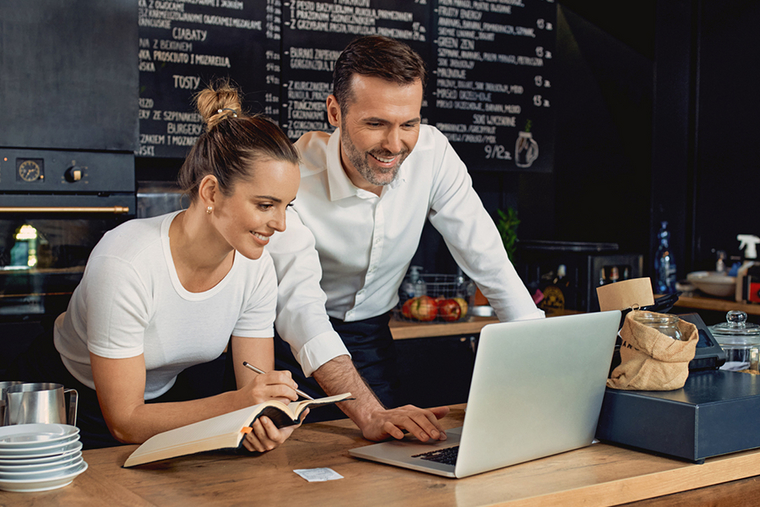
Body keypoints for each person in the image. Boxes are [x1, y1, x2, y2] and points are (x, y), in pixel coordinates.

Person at [267, 36, 544, 441]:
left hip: (372, 339)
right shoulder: (292, 180)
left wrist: (544, 353)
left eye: (408, 124)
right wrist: (367, 414)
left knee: (386, 468)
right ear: (335, 112)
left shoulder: (432, 154)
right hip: (289, 351)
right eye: (376, 123)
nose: (395, 145)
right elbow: (302, 313)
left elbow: (488, 258)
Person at [12, 82, 305, 451]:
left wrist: (264, 422)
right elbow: (124, 422)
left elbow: (252, 391)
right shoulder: (126, 262)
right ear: (211, 192)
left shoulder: (255, 267)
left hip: (166, 401)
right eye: (266, 205)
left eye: (287, 206)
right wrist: (239, 407)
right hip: (65, 404)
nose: (280, 224)